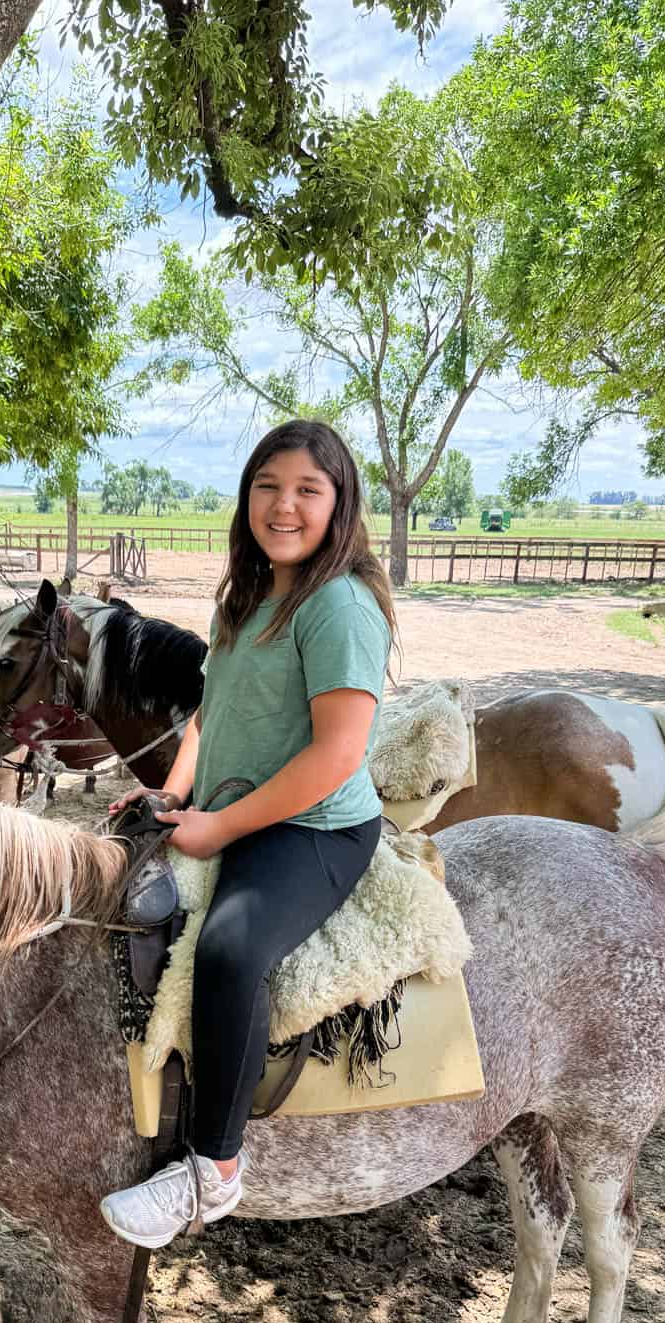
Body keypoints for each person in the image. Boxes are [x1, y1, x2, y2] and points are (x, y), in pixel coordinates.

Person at [100, 419, 397, 1249]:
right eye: (269, 486)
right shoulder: (248, 593)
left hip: (314, 828)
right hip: (232, 803)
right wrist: (171, 793)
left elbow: (338, 755)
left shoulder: (338, 605)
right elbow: (209, 714)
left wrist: (221, 826)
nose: (285, 505)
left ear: (339, 505)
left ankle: (214, 1170)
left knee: (230, 948)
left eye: (308, 489)